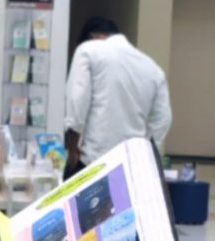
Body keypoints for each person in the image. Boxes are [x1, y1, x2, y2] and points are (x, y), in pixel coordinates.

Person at [63, 15, 172, 178]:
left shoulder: (88, 49)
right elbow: (163, 119)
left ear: (93, 37)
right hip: (132, 166)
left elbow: (76, 100)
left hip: (93, 161)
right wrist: (145, 152)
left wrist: (72, 149)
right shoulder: (153, 68)